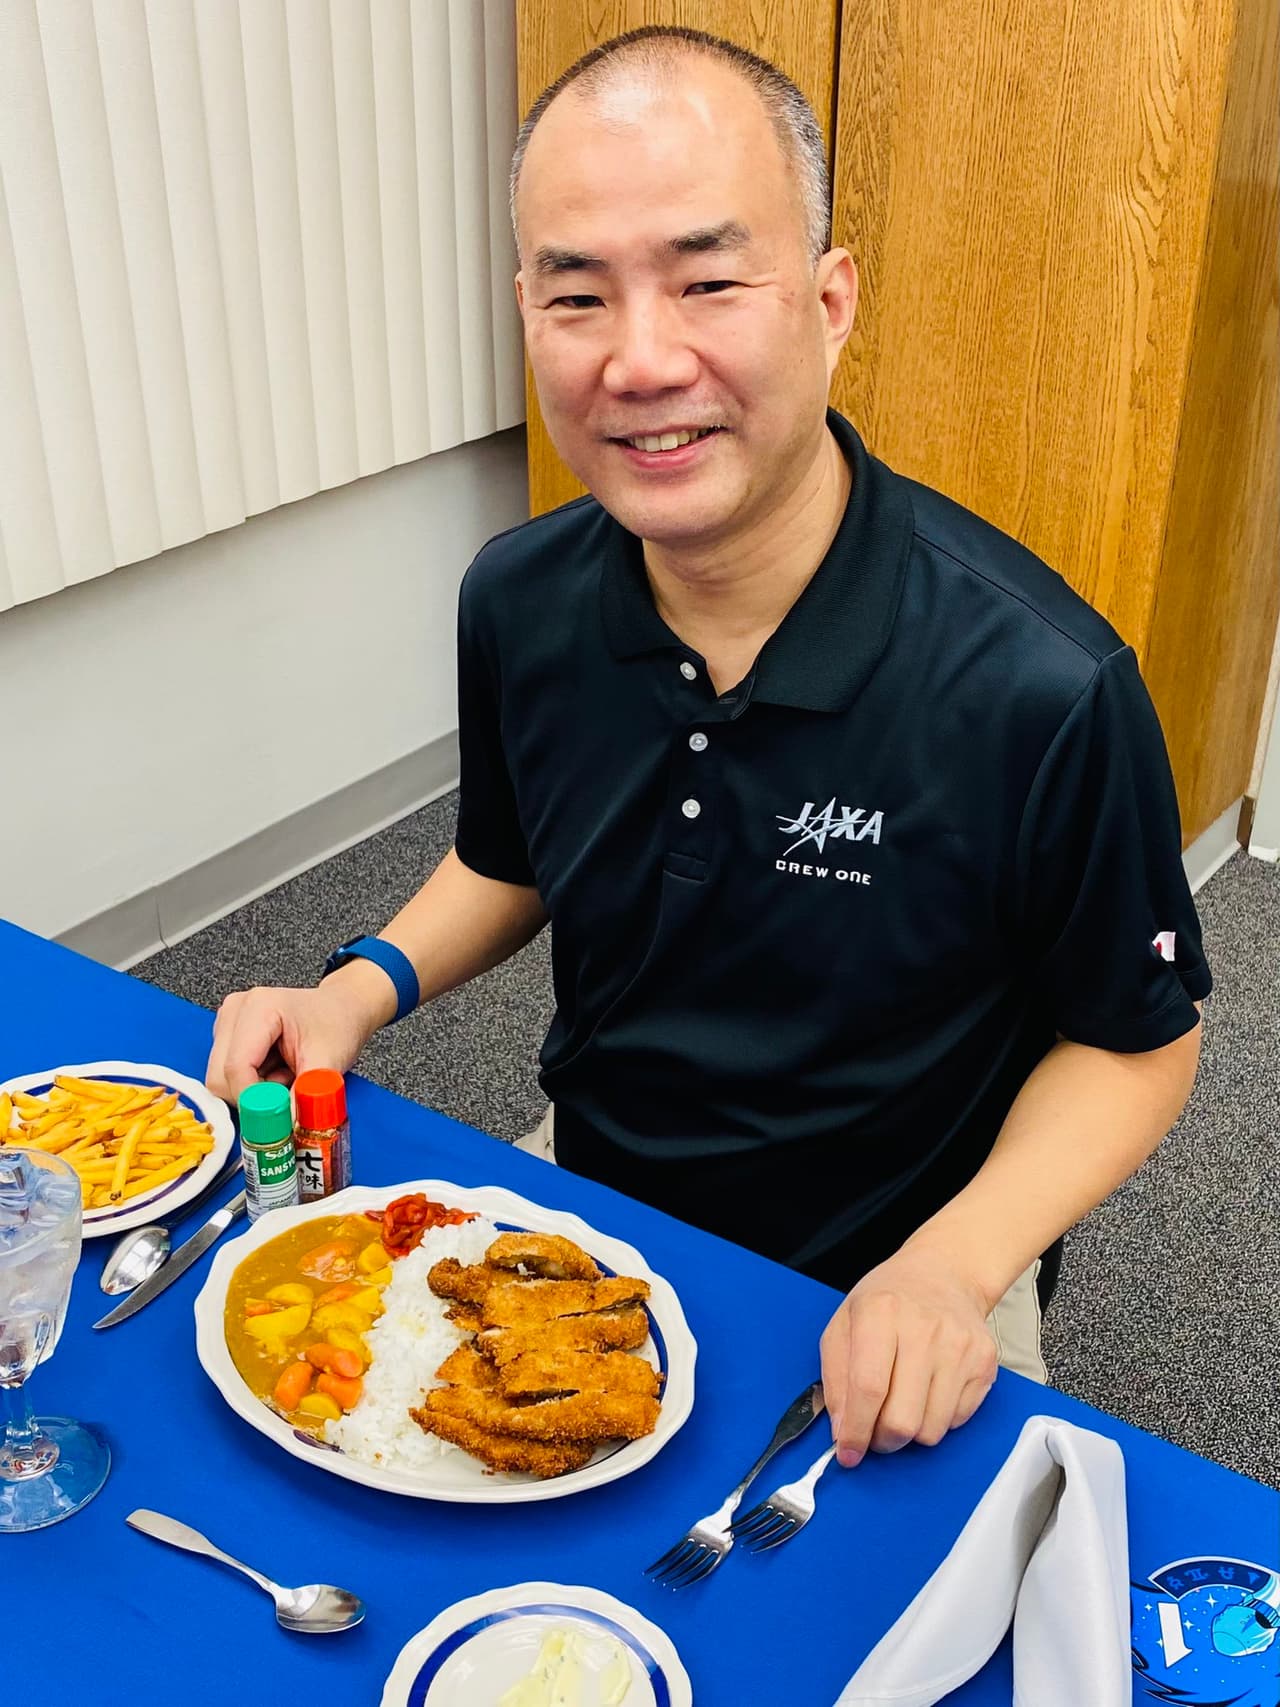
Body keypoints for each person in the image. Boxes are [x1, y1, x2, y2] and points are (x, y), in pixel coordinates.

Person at [206, 27, 1209, 1471]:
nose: (642, 357)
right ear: (525, 314)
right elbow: (516, 852)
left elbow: (1136, 1045)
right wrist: (356, 991)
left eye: (709, 280)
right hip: (595, 1204)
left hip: (900, 1267)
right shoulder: (518, 595)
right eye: (578, 294)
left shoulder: (1041, 685)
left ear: (829, 298)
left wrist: (956, 1265)